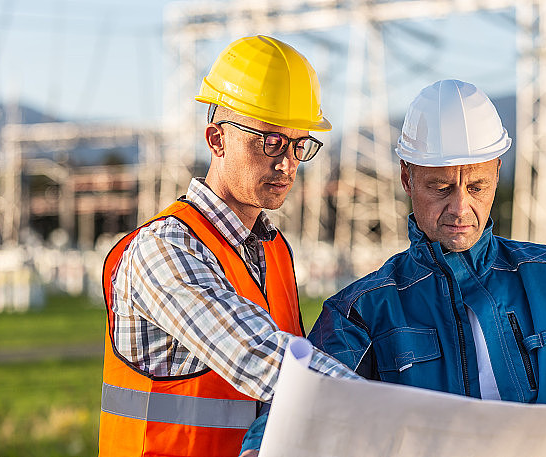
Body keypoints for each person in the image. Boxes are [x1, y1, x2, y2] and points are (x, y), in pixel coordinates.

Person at [240, 79, 546, 454]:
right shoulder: (360, 313)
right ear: (407, 178)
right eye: (440, 188)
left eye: (476, 186)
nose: (460, 209)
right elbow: (298, 408)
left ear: (497, 171)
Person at [98, 36, 359, 457]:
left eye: (299, 145)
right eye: (270, 141)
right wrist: (395, 417)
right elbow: (261, 357)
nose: (286, 163)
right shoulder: (164, 251)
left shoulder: (272, 250)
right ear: (216, 139)